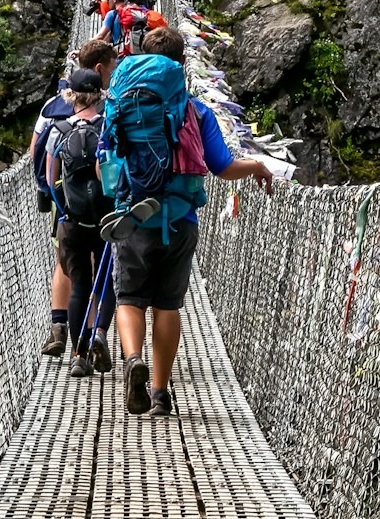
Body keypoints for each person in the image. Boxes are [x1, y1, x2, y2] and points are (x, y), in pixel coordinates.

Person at [107, 26, 272, 419]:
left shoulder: (121, 102)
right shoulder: (197, 111)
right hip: (181, 218)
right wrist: (257, 166)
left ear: (141, 55)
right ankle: (161, 393)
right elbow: (222, 166)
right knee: (168, 305)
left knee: (129, 299)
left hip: (133, 216)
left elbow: (106, 162)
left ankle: (132, 361)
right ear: (183, 64)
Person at [31, 38, 118, 355]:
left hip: (66, 203)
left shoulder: (51, 108)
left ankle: (60, 328)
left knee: (67, 264)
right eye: (111, 69)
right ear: (99, 73)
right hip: (104, 208)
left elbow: (36, 153)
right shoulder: (109, 114)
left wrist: (49, 191)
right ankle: (96, 332)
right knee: (98, 266)